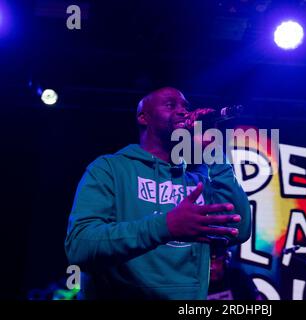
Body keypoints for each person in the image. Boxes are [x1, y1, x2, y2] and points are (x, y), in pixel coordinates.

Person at [64, 87, 251, 299]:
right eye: (171, 105)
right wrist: (166, 226)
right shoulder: (109, 169)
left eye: (185, 107)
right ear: (144, 117)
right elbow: (80, 247)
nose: (183, 112)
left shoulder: (198, 176)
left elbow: (239, 229)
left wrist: (214, 152)